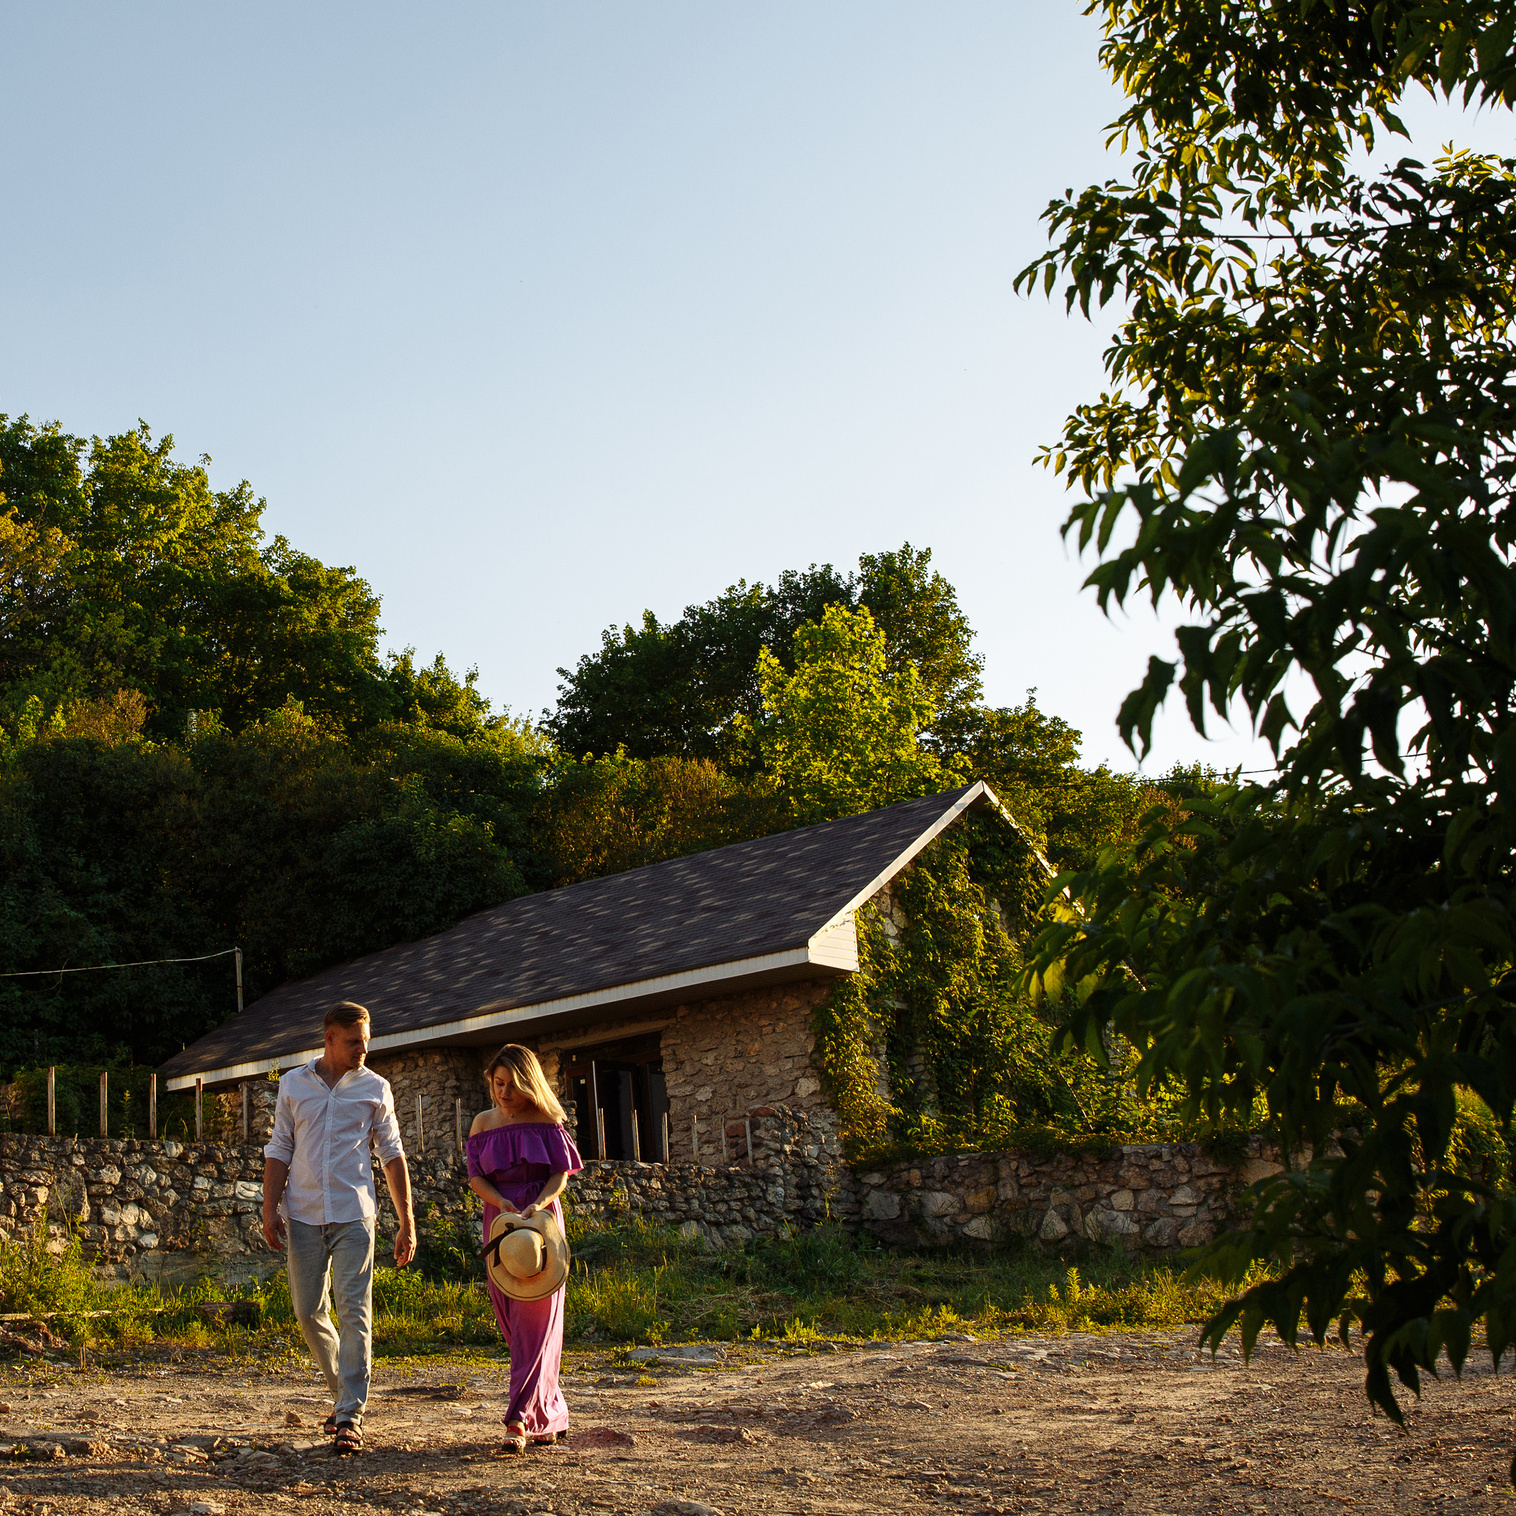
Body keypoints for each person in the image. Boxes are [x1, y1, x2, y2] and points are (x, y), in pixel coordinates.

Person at [262, 1001, 416, 1456]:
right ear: (329, 1038)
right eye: (353, 1042)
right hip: (304, 1214)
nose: (362, 1050)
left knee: (354, 1309)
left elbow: (392, 1155)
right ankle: (342, 1394)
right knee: (308, 1311)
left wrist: (407, 1221)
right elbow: (280, 1147)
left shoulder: (375, 1088)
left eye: (366, 1041)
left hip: (354, 1213)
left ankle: (351, 1413)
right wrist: (270, 1208)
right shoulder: (293, 1084)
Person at [466, 1043, 583, 1454]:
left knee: (539, 1322)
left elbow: (560, 1175)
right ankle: (548, 1412)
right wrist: (502, 1203)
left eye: (513, 1086)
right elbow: (475, 1178)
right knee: (514, 1322)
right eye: (498, 1084)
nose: (504, 1093)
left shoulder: (547, 1119)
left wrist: (540, 1203)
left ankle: (518, 1419)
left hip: (540, 1223)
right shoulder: (482, 1123)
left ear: (529, 1084)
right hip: (500, 1223)